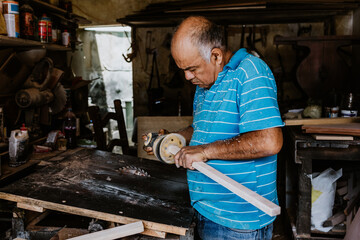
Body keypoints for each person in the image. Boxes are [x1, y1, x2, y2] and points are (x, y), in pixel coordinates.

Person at [147, 16, 284, 240]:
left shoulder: (250, 73)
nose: (187, 76)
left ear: (216, 55)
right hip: (207, 210)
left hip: (239, 222)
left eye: (192, 68)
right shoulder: (206, 83)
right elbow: (203, 128)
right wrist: (177, 138)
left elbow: (269, 141)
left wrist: (205, 151)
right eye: (183, 69)